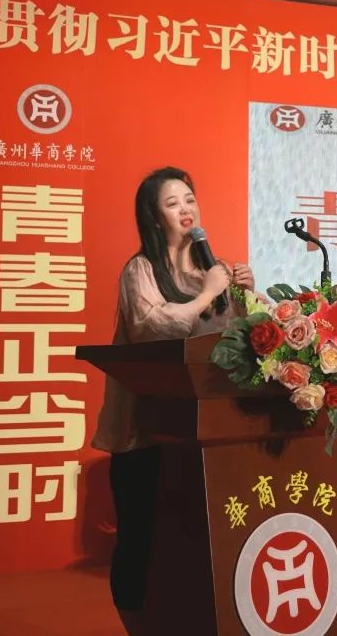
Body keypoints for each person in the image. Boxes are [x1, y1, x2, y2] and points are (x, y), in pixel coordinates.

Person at [90, 166, 255, 635]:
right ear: (154, 216)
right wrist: (207, 295)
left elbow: (234, 340)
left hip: (203, 435)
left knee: (192, 542)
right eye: (173, 202)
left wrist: (243, 296)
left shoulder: (211, 269)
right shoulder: (140, 270)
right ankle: (136, 626)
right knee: (141, 541)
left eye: (190, 199)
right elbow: (152, 329)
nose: (186, 209)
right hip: (147, 434)